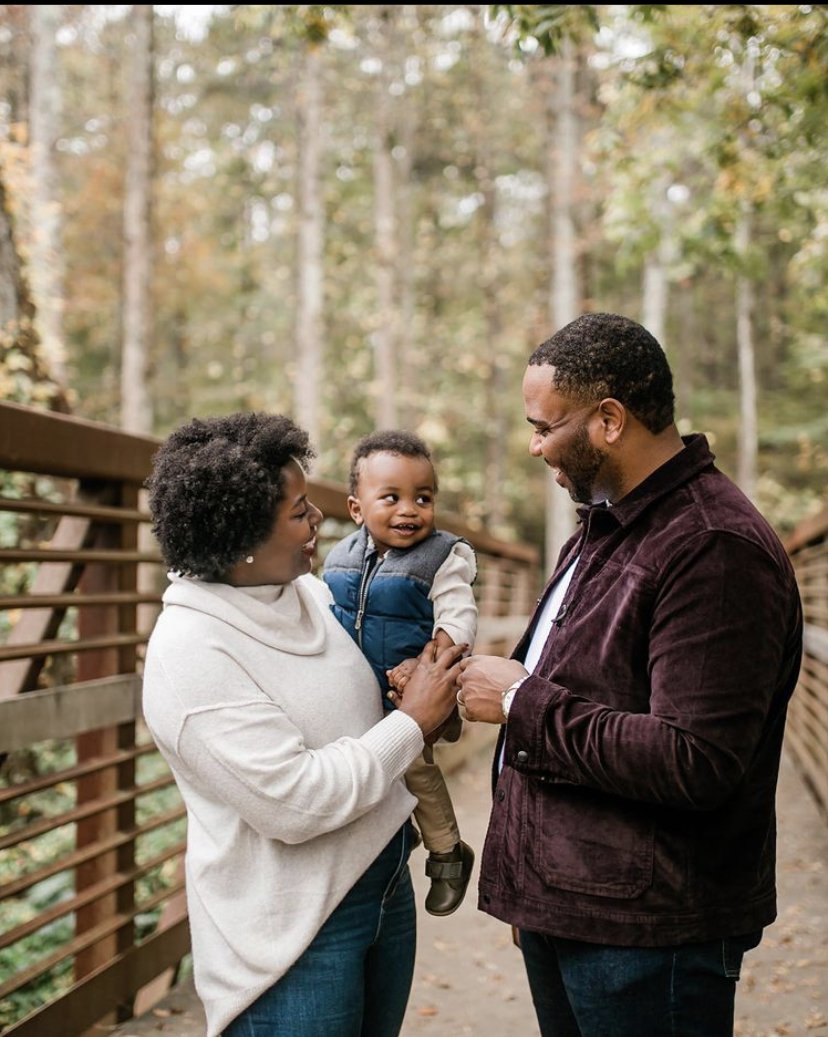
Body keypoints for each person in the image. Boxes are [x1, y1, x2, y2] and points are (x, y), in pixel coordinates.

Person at [455, 313, 804, 1037]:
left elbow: (695, 758)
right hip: (577, 907)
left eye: (544, 425)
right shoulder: (607, 523)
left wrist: (519, 698)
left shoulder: (712, 546)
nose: (534, 444)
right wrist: (534, 891)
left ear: (609, 419)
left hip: (648, 933)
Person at [141, 412, 464, 1037]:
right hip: (293, 938)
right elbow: (295, 802)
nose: (320, 520)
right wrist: (412, 723)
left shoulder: (309, 593)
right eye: (298, 512)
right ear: (242, 536)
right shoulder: (192, 651)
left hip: (384, 881)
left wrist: (416, 686)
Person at [322, 430, 477, 917]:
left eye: (423, 498)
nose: (409, 510)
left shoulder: (442, 558)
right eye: (391, 498)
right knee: (346, 759)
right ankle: (393, 827)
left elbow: (458, 615)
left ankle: (447, 851)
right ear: (355, 508)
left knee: (414, 765)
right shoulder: (338, 558)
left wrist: (431, 659)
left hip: (408, 692)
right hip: (350, 693)